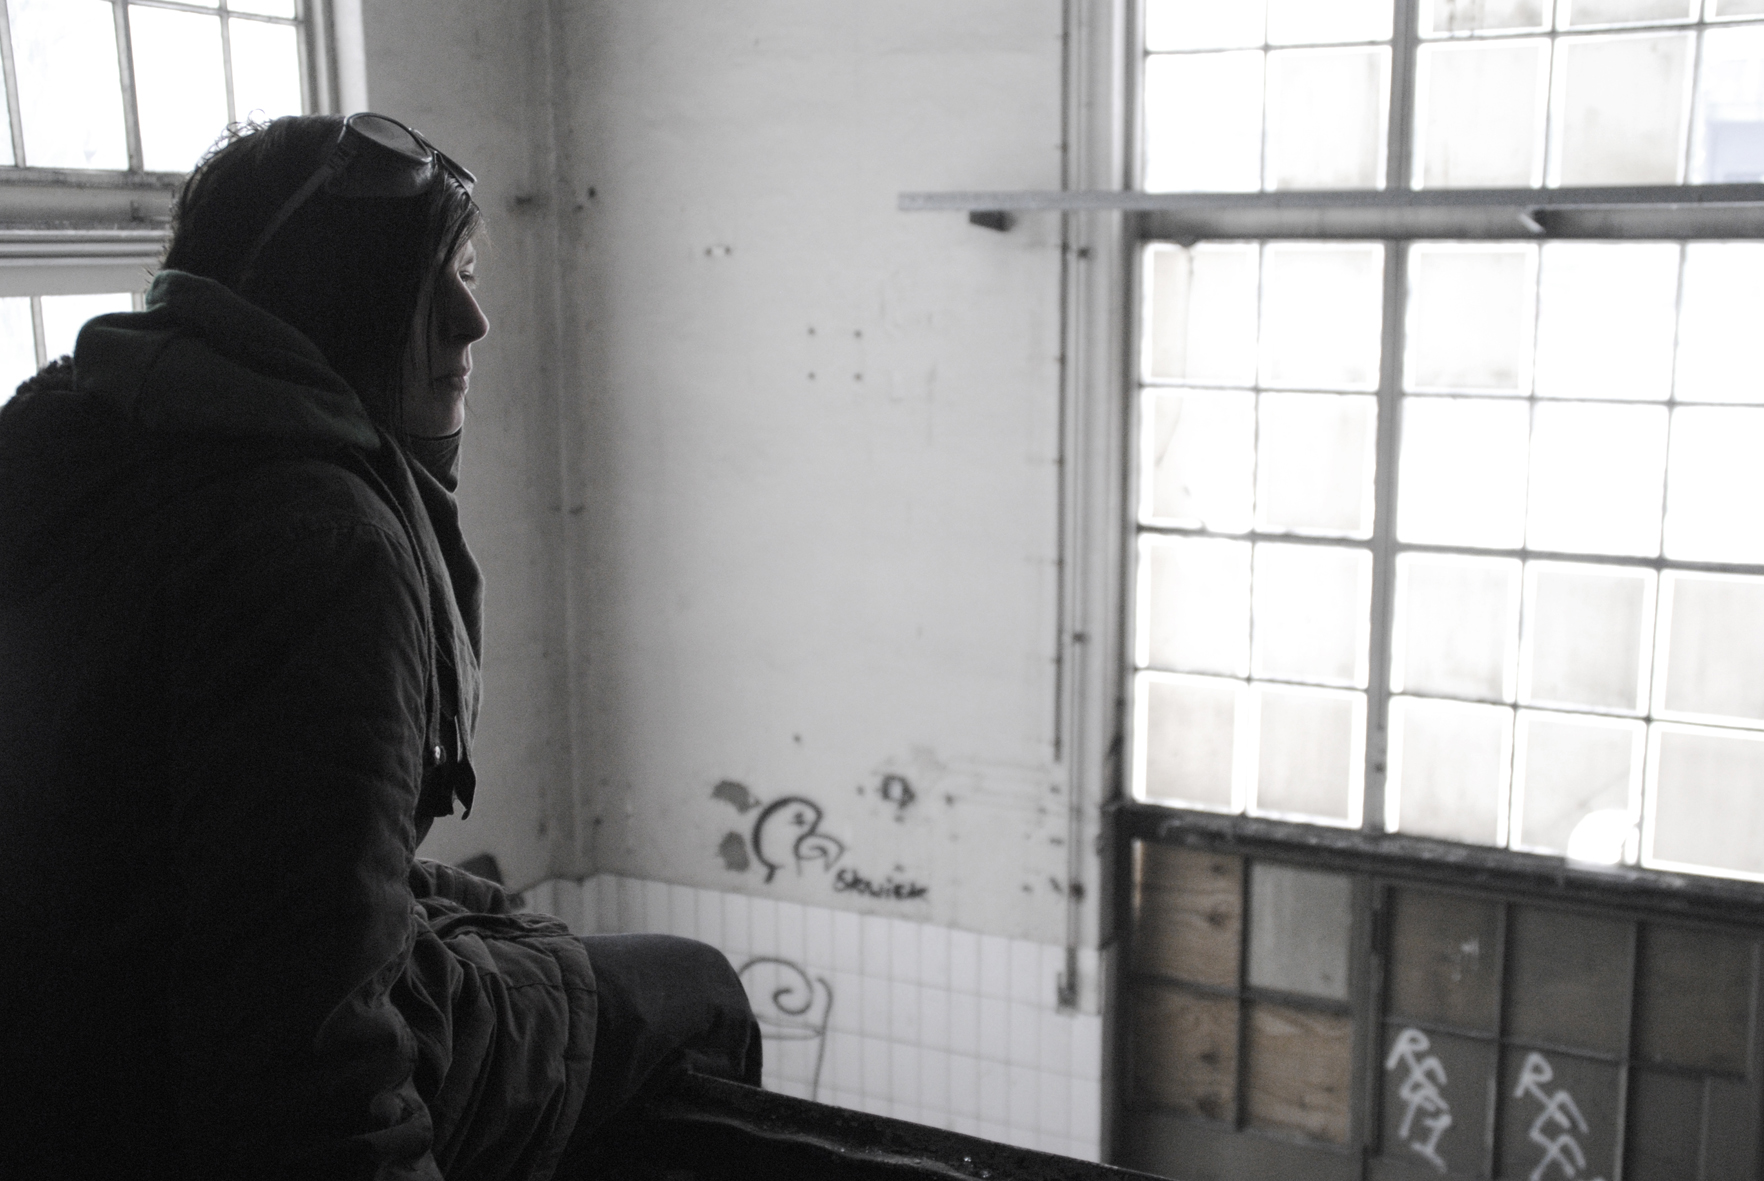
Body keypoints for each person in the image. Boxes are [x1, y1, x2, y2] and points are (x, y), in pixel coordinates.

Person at [0, 113, 759, 1180]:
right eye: (430, 279)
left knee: (516, 920)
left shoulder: (63, 425)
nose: (472, 320)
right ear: (332, 291)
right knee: (700, 989)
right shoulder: (323, 540)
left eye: (467, 273)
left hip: (63, 1032)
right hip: (152, 1088)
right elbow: (304, 1055)